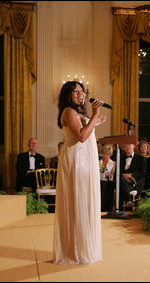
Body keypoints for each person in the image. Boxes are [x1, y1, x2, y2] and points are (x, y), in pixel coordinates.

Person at [54, 81, 106, 265]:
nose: (81, 93)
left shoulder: (79, 113)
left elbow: (86, 132)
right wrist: (94, 115)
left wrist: (93, 121)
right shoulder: (69, 111)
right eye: (76, 91)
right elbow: (81, 137)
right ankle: (74, 250)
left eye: (82, 90)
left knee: (84, 201)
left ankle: (84, 246)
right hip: (75, 161)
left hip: (85, 161)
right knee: (77, 203)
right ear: (68, 94)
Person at [99, 144, 116, 212]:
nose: (104, 156)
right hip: (99, 182)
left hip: (109, 183)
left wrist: (111, 175)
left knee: (107, 186)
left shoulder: (113, 163)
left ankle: (107, 209)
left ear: (110, 154)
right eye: (103, 154)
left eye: (106, 154)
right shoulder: (97, 163)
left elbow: (113, 176)